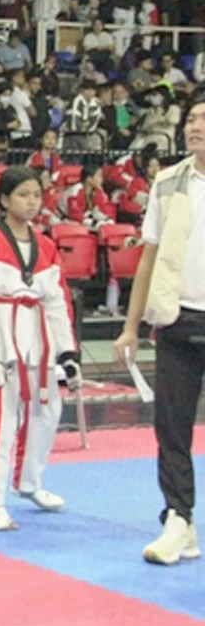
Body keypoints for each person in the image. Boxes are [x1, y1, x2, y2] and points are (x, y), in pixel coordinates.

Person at [113, 95, 205, 564]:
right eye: (191, 118)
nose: (196, 126)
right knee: (171, 428)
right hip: (176, 317)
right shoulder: (168, 183)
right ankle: (179, 521)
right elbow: (147, 259)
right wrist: (131, 327)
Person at [0, 166, 78, 532]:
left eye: (36, 195)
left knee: (47, 411)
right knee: (1, 419)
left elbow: (58, 302)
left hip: (39, 337)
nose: (32, 202)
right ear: (4, 200)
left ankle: (29, 483)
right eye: (24, 195)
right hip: (1, 333)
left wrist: (67, 353)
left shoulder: (46, 246)